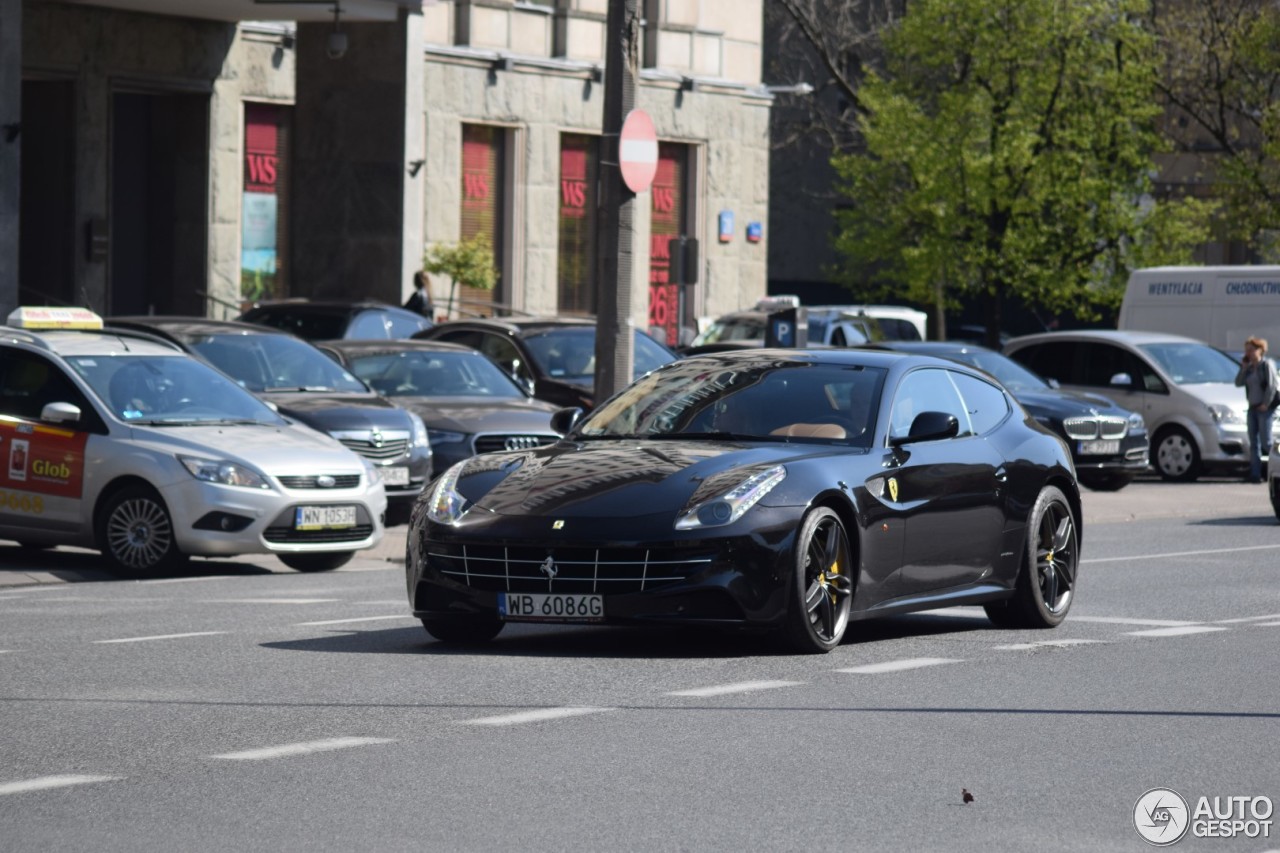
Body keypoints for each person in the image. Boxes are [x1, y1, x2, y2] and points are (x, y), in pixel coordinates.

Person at [1234, 335, 1277, 483]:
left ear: (1260, 350)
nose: (1249, 353)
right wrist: (1244, 368)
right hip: (1252, 408)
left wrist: (1266, 403)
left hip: (1264, 409)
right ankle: (1255, 474)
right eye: (1247, 351)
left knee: (1267, 442)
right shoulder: (1250, 368)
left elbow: (1272, 386)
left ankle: (1275, 471)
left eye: (1251, 350)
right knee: (1254, 443)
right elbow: (1238, 383)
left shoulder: (1266, 365)